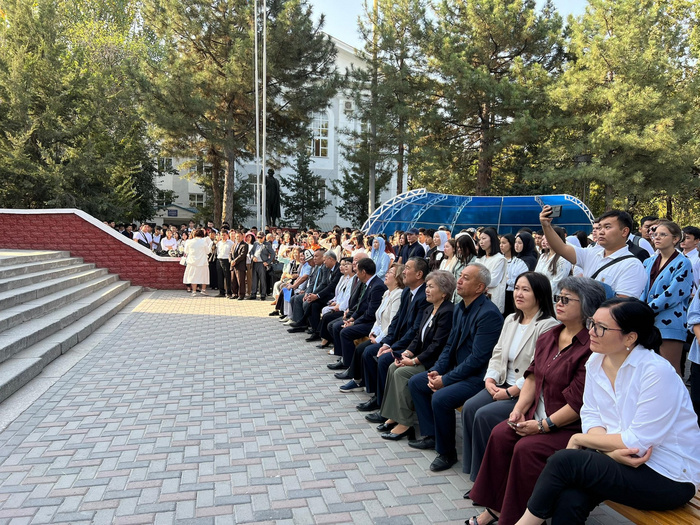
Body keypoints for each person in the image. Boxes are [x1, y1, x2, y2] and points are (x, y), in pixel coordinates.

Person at [515, 298, 700, 525]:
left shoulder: (656, 372)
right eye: (592, 323)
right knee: (571, 498)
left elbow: (638, 441)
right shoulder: (596, 361)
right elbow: (591, 414)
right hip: (621, 460)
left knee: (564, 461)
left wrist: (579, 439)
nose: (591, 331)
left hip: (668, 475)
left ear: (630, 338)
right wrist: (607, 453)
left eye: (601, 328)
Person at [467, 276, 606, 525]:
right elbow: (531, 377)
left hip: (569, 427)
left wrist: (542, 426)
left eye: (567, 299)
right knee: (501, 434)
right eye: (558, 298)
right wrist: (519, 410)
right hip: (536, 416)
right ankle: (495, 508)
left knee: (527, 449)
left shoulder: (590, 347)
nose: (559, 303)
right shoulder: (550, 335)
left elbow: (578, 404)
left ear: (586, 307)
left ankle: (517, 517)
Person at [462, 272, 558, 484]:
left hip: (524, 391)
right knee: (470, 407)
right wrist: (490, 379)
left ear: (540, 294)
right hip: (502, 383)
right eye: (517, 288)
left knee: (485, 415)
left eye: (526, 290)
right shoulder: (511, 319)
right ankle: (474, 469)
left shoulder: (548, 325)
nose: (518, 294)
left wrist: (511, 392)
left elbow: (538, 367)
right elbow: (498, 353)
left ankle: (485, 480)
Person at [407, 263, 504, 472]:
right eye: (460, 275)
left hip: (478, 377)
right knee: (417, 382)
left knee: (441, 398)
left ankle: (447, 453)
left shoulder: (488, 314)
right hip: (458, 370)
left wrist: (446, 379)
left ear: (480, 287)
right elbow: (450, 345)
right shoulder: (460, 307)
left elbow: (478, 359)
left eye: (466, 278)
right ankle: (432, 435)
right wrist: (437, 370)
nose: (459, 281)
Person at [377, 270, 455, 440]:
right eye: (427, 286)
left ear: (444, 292)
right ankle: (394, 415)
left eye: (431, 287)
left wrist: (413, 361)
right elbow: (417, 338)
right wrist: (405, 354)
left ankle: (405, 423)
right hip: (421, 357)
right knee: (393, 366)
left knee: (402, 373)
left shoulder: (448, 312)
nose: (427, 290)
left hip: (434, 362)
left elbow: (437, 345)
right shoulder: (429, 309)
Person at [358, 257, 429, 416]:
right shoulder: (407, 292)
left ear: (419, 274)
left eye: (407, 268)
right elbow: (396, 320)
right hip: (400, 340)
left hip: (412, 345)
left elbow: (415, 330)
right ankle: (378, 398)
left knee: (384, 359)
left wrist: (393, 347)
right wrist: (387, 342)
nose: (403, 272)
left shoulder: (424, 296)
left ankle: (385, 407)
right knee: (370, 352)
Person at [540, 207, 646, 298]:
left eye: (607, 227)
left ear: (624, 231)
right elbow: (562, 248)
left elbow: (622, 304)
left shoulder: (632, 265)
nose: (601, 232)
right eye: (599, 228)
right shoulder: (592, 253)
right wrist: (546, 225)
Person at [339, 263, 405, 392]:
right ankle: (358, 379)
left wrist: (379, 338)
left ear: (398, 278)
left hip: (388, 337)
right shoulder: (387, 293)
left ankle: (371, 388)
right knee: (360, 348)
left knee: (367, 351)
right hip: (379, 333)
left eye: (390, 273)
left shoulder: (398, 295)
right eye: (387, 272)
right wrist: (373, 332)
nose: (386, 274)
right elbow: (378, 317)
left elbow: (392, 323)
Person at [640, 219, 692, 375]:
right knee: (647, 369)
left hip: (670, 320)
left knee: (670, 369)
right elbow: (641, 288)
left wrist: (645, 309)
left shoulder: (683, 263)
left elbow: (673, 294)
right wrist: (639, 309)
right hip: (646, 320)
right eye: (655, 234)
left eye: (663, 234)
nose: (657, 237)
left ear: (675, 239)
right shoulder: (648, 261)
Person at [534, 226, 572, 298]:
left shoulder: (564, 259)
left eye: (549, 238)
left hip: (552, 298)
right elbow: (535, 275)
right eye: (544, 238)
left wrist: (540, 293)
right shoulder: (543, 256)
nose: (545, 241)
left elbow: (557, 283)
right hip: (538, 297)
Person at [476, 228, 507, 313]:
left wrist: (477, 284)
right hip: (478, 295)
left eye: (484, 238)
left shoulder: (499, 259)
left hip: (492, 297)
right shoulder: (479, 259)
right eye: (480, 239)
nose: (481, 242)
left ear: (492, 239)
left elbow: (493, 281)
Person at [501, 234, 529, 317]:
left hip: (513, 293)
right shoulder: (500, 259)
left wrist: (507, 280)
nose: (501, 245)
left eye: (504, 243)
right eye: (500, 243)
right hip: (503, 293)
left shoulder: (521, 261)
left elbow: (520, 280)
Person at [182, 229, 211, 295]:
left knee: (193, 276)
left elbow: (186, 251)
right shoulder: (204, 241)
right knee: (204, 276)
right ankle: (203, 290)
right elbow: (207, 251)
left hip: (192, 261)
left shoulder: (189, 242)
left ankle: (194, 291)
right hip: (202, 261)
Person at [249, 232, 275, 300]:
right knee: (254, 279)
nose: (259, 239)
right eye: (258, 237)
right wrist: (252, 257)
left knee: (262, 279)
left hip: (262, 263)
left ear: (264, 237)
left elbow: (273, 253)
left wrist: (268, 262)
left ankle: (263, 294)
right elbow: (251, 252)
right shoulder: (255, 243)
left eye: (261, 237)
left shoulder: (267, 244)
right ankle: (253, 294)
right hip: (255, 263)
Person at [215, 230, 234, 297]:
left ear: (227, 235)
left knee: (227, 277)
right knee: (220, 277)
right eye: (222, 235)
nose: (223, 236)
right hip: (219, 259)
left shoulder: (231, 243)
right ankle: (221, 292)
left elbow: (232, 252)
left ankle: (229, 292)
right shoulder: (219, 243)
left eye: (224, 235)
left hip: (226, 260)